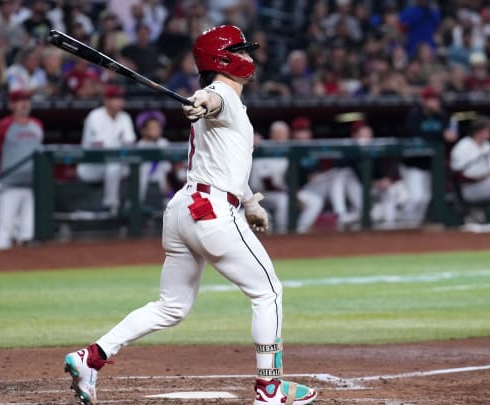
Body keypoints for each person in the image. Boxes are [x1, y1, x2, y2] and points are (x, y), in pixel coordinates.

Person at [63, 25, 317, 405]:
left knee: (172, 307)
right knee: (268, 292)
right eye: (242, 52)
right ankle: (270, 390)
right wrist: (202, 101)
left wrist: (249, 203)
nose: (249, 58)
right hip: (211, 212)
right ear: (223, 59)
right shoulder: (221, 95)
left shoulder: (230, 103)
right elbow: (211, 98)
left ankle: (91, 357)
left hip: (185, 210)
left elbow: (223, 160)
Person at [0, 89, 44, 250]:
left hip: (31, 185)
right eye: (20, 100)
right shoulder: (3, 126)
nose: (24, 104)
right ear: (11, 104)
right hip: (8, 184)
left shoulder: (37, 125)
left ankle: (25, 267)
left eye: (27, 100)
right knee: (6, 227)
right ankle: (0, 266)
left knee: (27, 230)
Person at [402, 86, 458, 226]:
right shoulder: (415, 115)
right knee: (416, 198)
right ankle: (404, 225)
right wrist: (440, 135)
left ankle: (414, 226)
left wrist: (450, 135)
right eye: (432, 100)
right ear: (424, 101)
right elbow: (415, 134)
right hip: (414, 164)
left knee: (426, 198)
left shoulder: (442, 116)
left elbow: (450, 134)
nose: (435, 103)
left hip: (431, 165)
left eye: (436, 99)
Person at [76, 85, 136, 215]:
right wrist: (119, 143)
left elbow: (130, 143)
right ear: (106, 101)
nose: (120, 102)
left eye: (121, 98)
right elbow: (100, 147)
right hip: (91, 166)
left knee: (139, 165)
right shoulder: (95, 116)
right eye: (115, 98)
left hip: (115, 164)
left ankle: (136, 205)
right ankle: (111, 206)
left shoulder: (125, 117)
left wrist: (120, 144)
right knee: (113, 164)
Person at [134, 109, 172, 206]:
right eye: (152, 128)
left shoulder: (164, 143)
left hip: (159, 184)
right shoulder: (139, 146)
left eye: (157, 127)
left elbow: (168, 168)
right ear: (143, 130)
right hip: (143, 185)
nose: (156, 130)